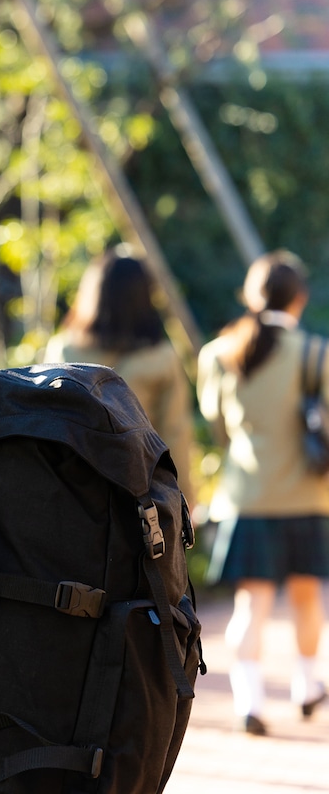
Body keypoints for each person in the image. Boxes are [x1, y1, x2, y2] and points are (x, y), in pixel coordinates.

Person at [197, 250, 329, 736]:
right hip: (308, 497)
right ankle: (306, 685)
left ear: (252, 297)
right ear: (299, 298)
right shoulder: (317, 354)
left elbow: (217, 425)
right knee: (307, 598)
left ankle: (249, 699)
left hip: (246, 496)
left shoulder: (219, 354)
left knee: (250, 604)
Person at [43, 246, 195, 501]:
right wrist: (185, 497)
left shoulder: (63, 351)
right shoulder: (162, 358)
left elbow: (47, 423)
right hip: (141, 493)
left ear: (94, 292)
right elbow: (175, 433)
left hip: (74, 493)